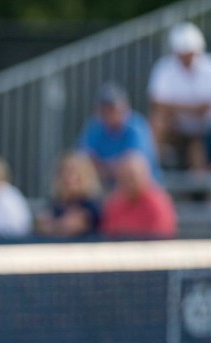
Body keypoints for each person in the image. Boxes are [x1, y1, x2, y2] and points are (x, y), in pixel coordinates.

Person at [148, 22, 211, 171]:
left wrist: (175, 106)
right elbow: (157, 104)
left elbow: (164, 103)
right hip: (176, 125)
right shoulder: (165, 67)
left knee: (197, 150)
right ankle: (152, 169)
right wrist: (194, 108)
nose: (186, 58)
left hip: (205, 127)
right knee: (157, 122)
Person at [76, 82, 161, 186]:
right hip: (102, 186)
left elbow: (134, 166)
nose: (108, 114)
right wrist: (113, 166)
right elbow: (82, 161)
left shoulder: (136, 127)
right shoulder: (95, 126)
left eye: (112, 108)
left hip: (139, 188)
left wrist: (103, 166)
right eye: (104, 109)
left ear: (125, 107)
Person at [101, 152, 178, 238]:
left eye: (132, 177)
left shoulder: (158, 203)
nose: (129, 182)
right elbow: (109, 232)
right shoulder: (115, 203)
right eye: (125, 177)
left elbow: (160, 236)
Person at [35, 151, 102, 238]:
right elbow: (41, 225)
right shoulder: (56, 203)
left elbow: (73, 226)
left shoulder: (91, 205)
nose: (68, 178)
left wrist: (54, 225)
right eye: (64, 172)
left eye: (73, 173)